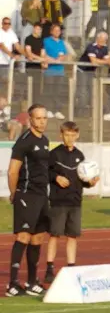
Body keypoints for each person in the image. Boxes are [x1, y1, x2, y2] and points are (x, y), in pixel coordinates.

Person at [41, 119, 93, 287]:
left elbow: (83, 179)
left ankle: (71, 267)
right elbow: (44, 173)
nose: (70, 138)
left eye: (73, 135)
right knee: (55, 235)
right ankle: (49, 268)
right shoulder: (54, 154)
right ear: (61, 135)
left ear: (77, 135)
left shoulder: (80, 156)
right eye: (66, 135)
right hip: (58, 202)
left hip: (75, 202)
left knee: (72, 236)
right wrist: (56, 177)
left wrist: (90, 182)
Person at [8, 105, 52, 296]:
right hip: (26, 195)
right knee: (23, 236)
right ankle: (12, 283)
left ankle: (32, 281)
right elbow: (12, 170)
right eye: (38, 118)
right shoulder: (24, 142)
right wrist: (14, 193)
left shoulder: (45, 141)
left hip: (42, 196)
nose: (42, 121)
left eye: (44, 118)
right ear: (31, 120)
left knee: (38, 238)